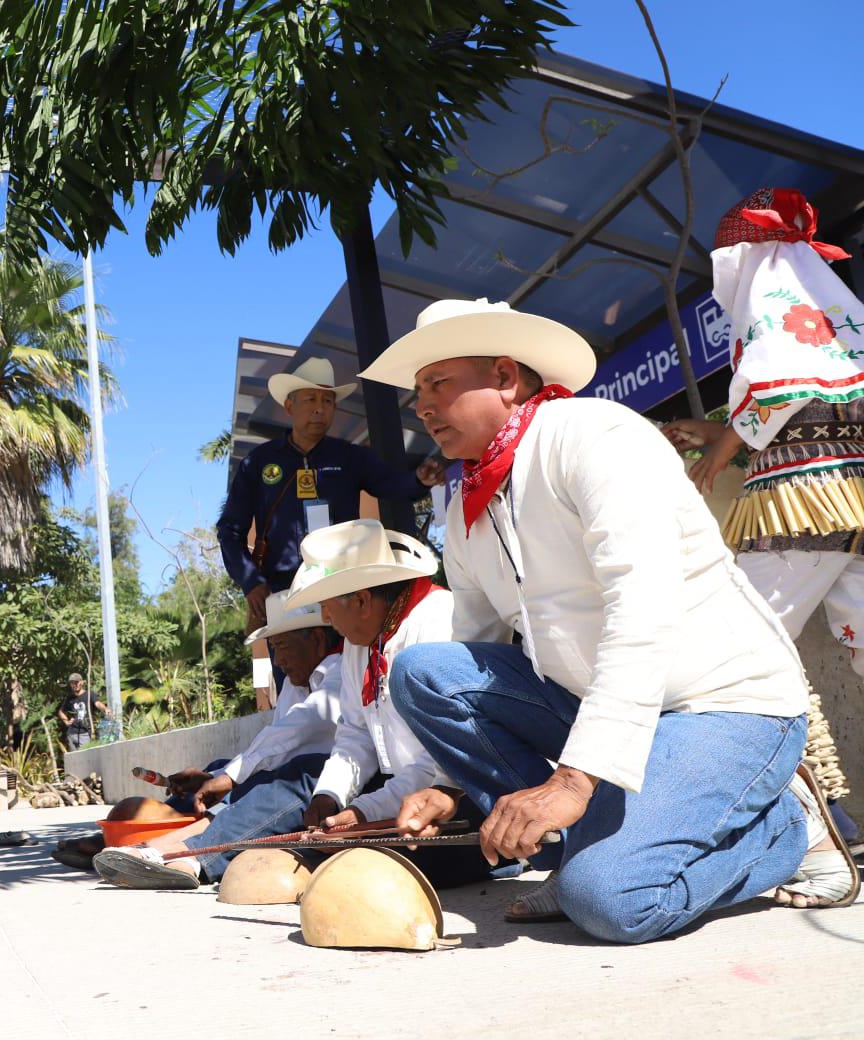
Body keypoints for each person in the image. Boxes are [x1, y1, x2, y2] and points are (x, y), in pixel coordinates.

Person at [360, 296, 858, 946]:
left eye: (438, 383)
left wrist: (572, 779)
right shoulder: (465, 510)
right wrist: (451, 786)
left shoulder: (595, 436)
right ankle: (581, 847)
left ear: (507, 377)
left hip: (723, 706)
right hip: (609, 714)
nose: (422, 406)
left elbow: (641, 607)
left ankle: (786, 826)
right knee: (426, 673)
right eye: (417, 392)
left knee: (610, 900)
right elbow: (476, 652)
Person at [94, 523, 491, 891]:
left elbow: (438, 768)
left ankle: (195, 855)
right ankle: (195, 853)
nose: (327, 618)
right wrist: (331, 796)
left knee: (345, 856)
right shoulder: (362, 643)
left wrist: (364, 811)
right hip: (403, 794)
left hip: (452, 798)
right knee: (313, 799)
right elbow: (356, 737)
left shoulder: (439, 624)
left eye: (329, 605)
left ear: (363, 599)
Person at [663, 188, 859, 833]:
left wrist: (720, 451)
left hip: (804, 505)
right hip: (851, 495)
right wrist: (717, 433)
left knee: (743, 649)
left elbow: (775, 394)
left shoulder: (776, 308)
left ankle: (819, 824)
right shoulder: (837, 311)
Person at [50, 595, 340, 872]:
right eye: (273, 649)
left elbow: (299, 728)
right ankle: (135, 839)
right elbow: (276, 745)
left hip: (323, 786)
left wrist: (229, 778)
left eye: (282, 647)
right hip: (291, 772)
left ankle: (180, 851)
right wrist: (220, 775)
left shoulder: (338, 670)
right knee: (215, 772)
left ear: (315, 639)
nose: (277, 661)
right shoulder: (296, 682)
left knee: (274, 781)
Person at [216, 357, 445, 636]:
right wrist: (250, 581)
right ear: (289, 406)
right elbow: (229, 530)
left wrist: (419, 479)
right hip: (284, 594)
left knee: (347, 673)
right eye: (310, 399)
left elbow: (392, 485)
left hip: (344, 590)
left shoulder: (349, 457)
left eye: (327, 402)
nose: (319, 409)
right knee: (293, 672)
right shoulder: (259, 462)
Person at [57, 673, 107, 751]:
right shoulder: (70, 698)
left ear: (82, 682)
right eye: (72, 683)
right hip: (71, 734)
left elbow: (97, 703)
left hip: (84, 733)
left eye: (76, 682)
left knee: (86, 757)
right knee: (75, 760)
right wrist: (66, 721)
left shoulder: (89, 694)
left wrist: (105, 709)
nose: (75, 685)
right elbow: (61, 712)